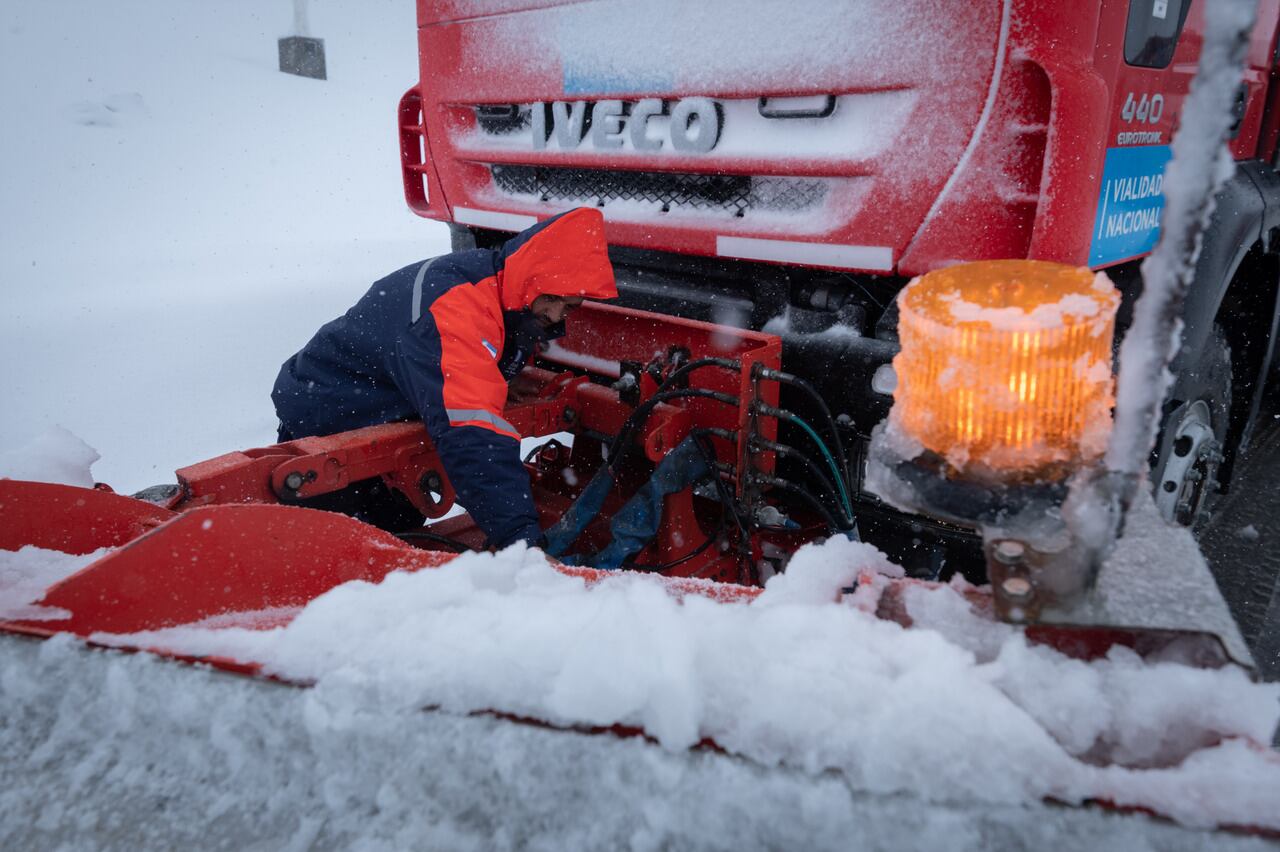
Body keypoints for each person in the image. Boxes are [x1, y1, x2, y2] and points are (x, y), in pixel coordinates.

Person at [271, 207, 618, 546]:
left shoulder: (501, 292)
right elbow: (473, 436)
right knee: (337, 559)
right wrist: (521, 542)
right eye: (553, 298)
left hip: (382, 426)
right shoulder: (456, 310)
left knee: (392, 542)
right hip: (329, 425)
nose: (556, 314)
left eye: (570, 306)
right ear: (531, 276)